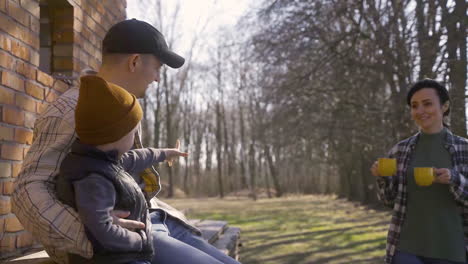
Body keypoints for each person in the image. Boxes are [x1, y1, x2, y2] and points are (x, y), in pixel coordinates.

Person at [12, 19, 241, 264]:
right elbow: (27, 189)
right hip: (120, 243)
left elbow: (123, 165)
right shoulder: (72, 108)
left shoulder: (123, 106)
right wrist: (97, 236)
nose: (157, 79)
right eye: (157, 68)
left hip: (152, 223)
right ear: (134, 61)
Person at [56, 75, 188, 264]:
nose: (135, 137)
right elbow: (102, 229)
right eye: (133, 131)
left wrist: (165, 153)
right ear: (116, 135)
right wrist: (140, 240)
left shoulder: (101, 160)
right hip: (118, 259)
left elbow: (137, 157)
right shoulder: (93, 178)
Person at [370, 79, 468, 264]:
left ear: (445, 106)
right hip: (406, 247)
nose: (420, 111)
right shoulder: (400, 150)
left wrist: (454, 179)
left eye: (427, 104)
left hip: (451, 248)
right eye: (414, 106)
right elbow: (388, 201)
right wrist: (383, 178)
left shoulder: (464, 148)